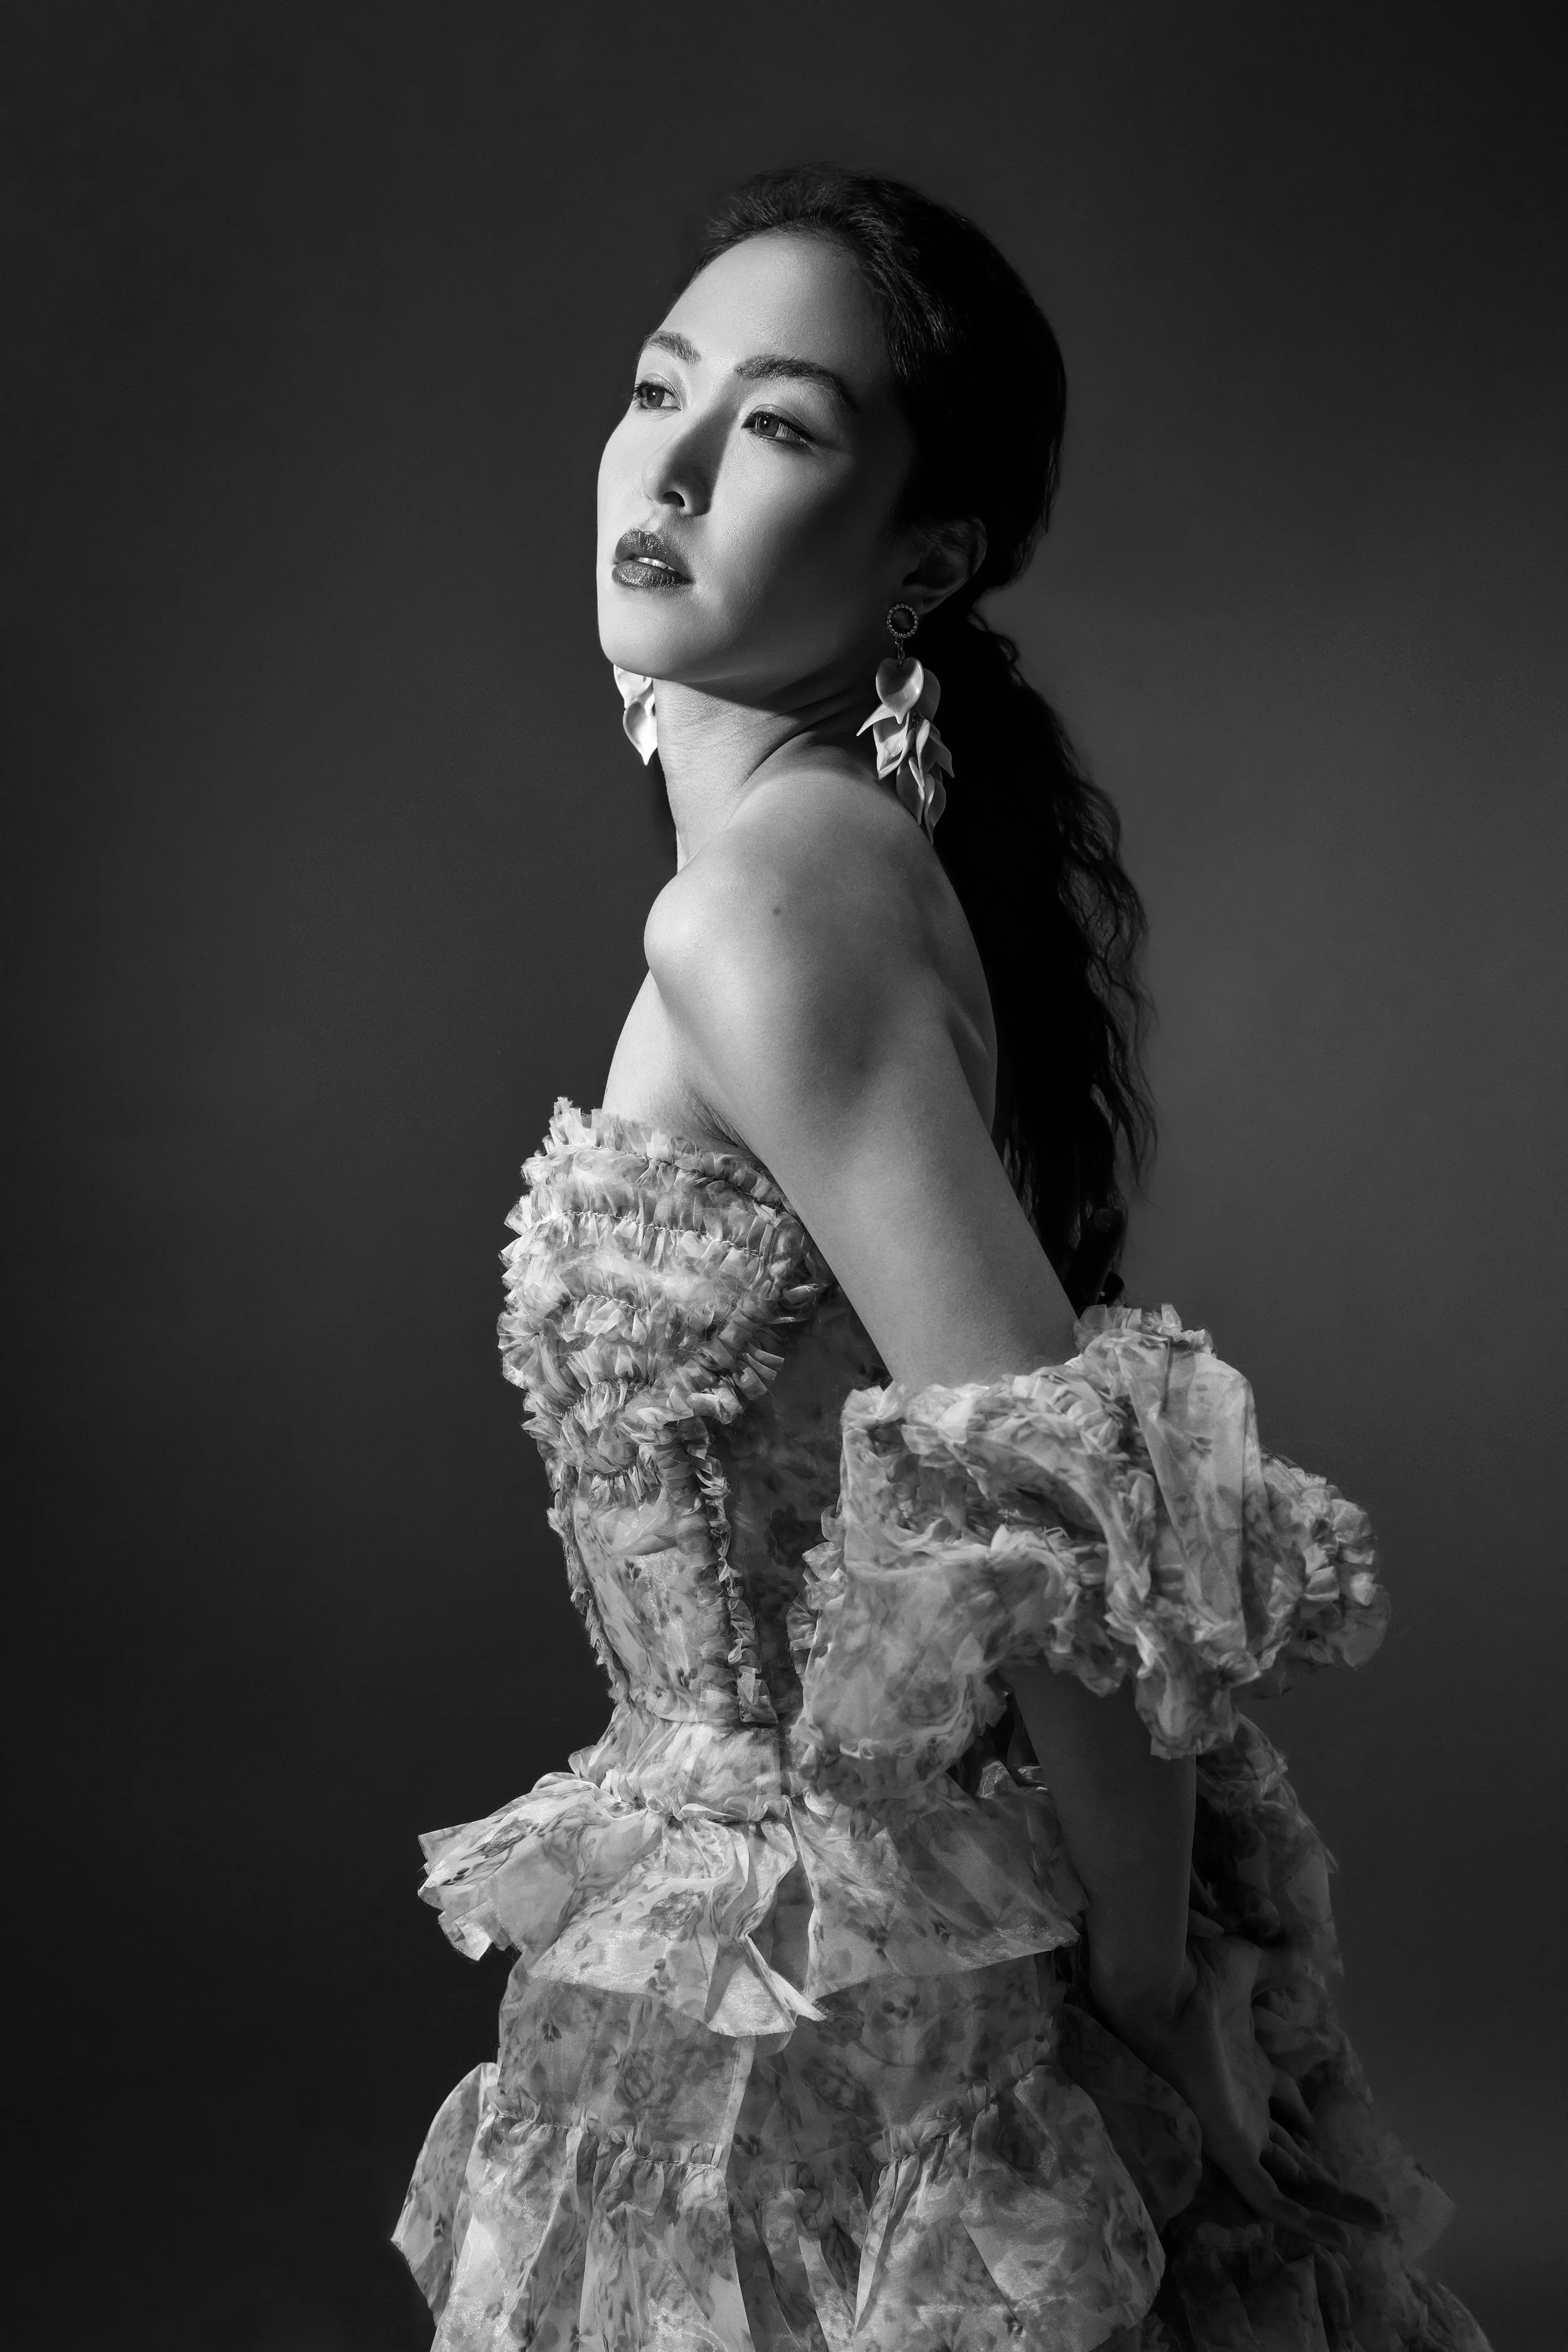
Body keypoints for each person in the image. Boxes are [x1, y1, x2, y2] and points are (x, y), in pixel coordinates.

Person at [395, 166, 1488, 2352]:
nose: (673, 464)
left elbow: (1044, 1476)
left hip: (847, 1941)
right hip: (770, 1887)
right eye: (655, 389)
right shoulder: (803, 863)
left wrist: (1153, 1983)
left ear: (924, 558)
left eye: (783, 426)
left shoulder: (765, 903)